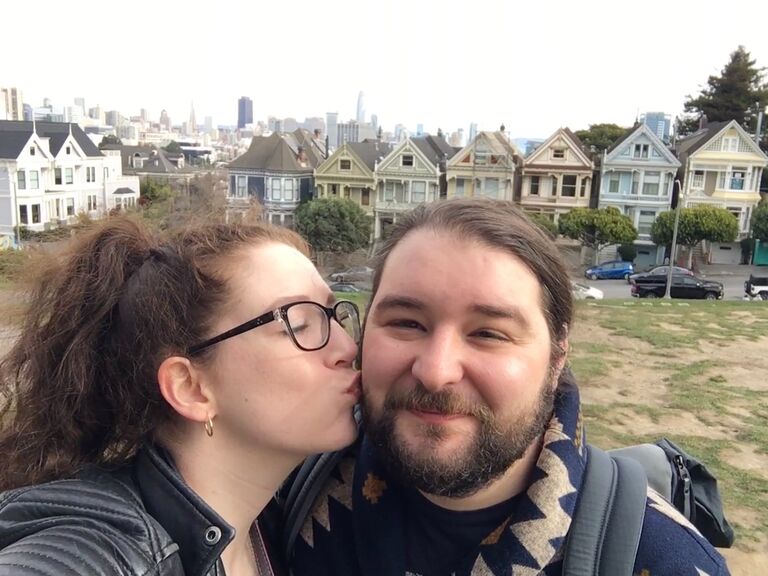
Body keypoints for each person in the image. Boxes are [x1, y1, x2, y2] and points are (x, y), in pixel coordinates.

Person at [289, 198, 730, 576]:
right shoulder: (287, 496)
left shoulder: (664, 560)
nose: (436, 371)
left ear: (557, 359)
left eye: (489, 333)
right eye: (407, 323)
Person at [0, 215, 362, 576]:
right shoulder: (112, 547)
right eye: (299, 324)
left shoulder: (272, 524)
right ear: (190, 388)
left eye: (335, 317)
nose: (348, 346)